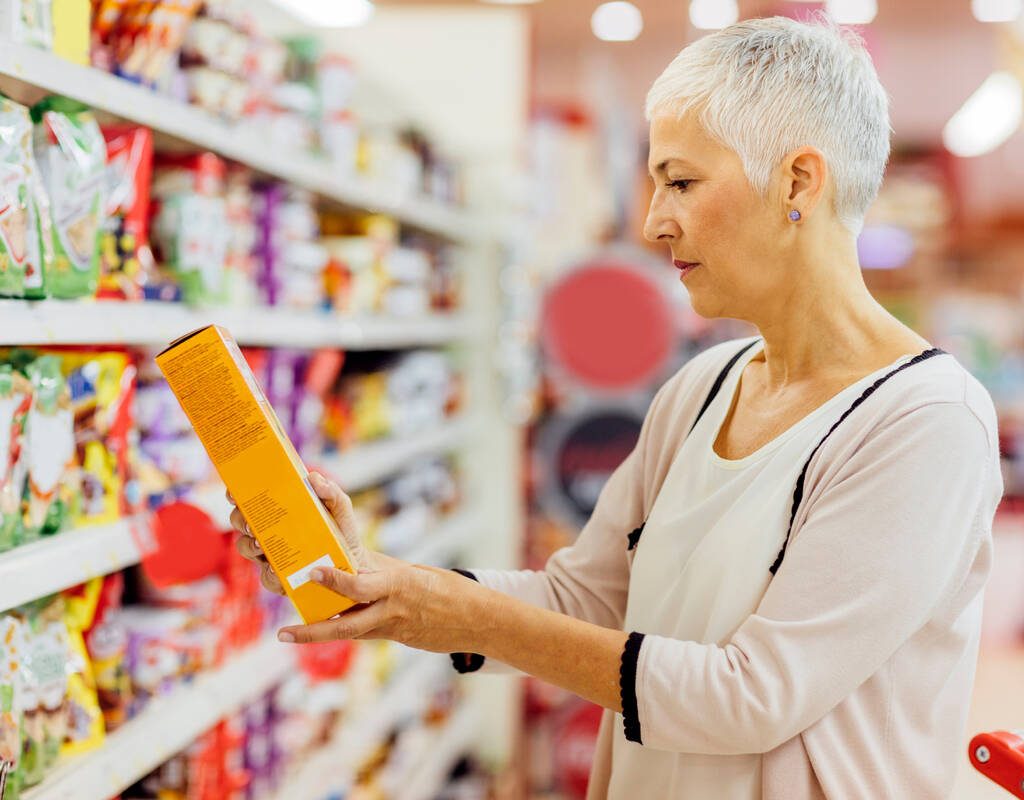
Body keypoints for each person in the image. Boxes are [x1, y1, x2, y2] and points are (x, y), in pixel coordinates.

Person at [230, 16, 1002, 799]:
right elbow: (585, 600)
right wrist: (383, 583)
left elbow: (754, 695)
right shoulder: (703, 390)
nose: (652, 221)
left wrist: (457, 613)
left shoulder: (924, 423)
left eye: (682, 181)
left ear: (799, 182)